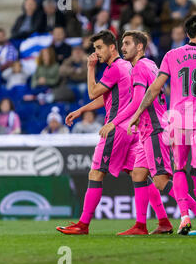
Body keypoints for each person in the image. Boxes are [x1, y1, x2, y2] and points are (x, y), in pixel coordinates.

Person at [100, 30, 196, 235]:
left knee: (161, 180)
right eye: (122, 43)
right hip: (148, 130)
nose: (123, 48)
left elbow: (138, 101)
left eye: (127, 43)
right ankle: (143, 225)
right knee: (138, 174)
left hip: (155, 129)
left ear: (139, 47)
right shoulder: (151, 65)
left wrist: (115, 122)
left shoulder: (138, 68)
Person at [127, 15, 196, 236]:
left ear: (187, 33)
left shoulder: (171, 55)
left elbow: (155, 88)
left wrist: (138, 112)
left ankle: (184, 218)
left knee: (179, 169)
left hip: (177, 119)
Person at [55, 30, 139, 235]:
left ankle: (83, 225)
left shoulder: (113, 69)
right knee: (141, 174)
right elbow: (107, 98)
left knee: (95, 173)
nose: (96, 53)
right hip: (130, 127)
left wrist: (90, 68)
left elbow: (93, 92)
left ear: (112, 47)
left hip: (115, 128)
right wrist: (82, 110)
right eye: (94, 49)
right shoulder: (126, 66)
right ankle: (168, 219)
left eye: (99, 47)